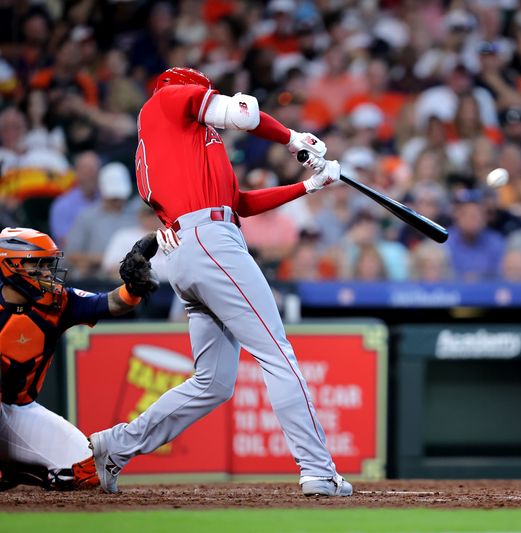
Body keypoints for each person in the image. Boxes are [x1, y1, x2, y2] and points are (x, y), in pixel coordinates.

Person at [88, 67, 352, 497]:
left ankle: (113, 447)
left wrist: (308, 186)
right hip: (209, 241)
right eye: (202, 90)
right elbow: (245, 113)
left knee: (213, 382)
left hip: (192, 249)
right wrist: (291, 138)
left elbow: (239, 203)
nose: (206, 97)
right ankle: (318, 470)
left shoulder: (183, 144)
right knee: (277, 352)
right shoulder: (165, 102)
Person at [0, 227, 156, 491]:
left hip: (18, 408)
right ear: (11, 265)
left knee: (84, 472)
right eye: (38, 264)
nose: (48, 272)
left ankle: (10, 470)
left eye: (49, 264)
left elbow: (111, 304)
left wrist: (133, 288)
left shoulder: (58, 301)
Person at [63, 162, 137, 279]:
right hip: (96, 278)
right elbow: (71, 254)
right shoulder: (87, 216)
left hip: (131, 277)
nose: (117, 201)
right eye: (113, 198)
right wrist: (104, 258)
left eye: (119, 197)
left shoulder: (135, 215)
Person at [445, 189, 505, 281]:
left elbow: (501, 276)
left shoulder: (496, 242)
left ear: (485, 218)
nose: (473, 220)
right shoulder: (444, 241)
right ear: (457, 217)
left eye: (477, 215)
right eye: (468, 215)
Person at [48, 151, 101, 245]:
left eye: (95, 170)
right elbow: (64, 242)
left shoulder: (105, 199)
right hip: (73, 257)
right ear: (77, 172)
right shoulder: (62, 205)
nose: (92, 175)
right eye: (88, 170)